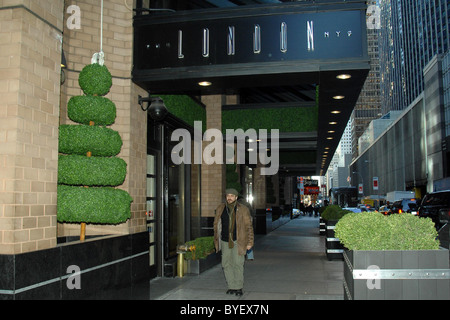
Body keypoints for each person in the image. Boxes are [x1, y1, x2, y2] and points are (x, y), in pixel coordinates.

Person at [213, 188, 254, 296]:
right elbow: (216, 224)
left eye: (232, 196)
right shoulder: (220, 208)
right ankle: (231, 286)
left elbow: (249, 227)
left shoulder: (243, 209)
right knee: (226, 264)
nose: (229, 197)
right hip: (224, 240)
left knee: (238, 263)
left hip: (238, 241)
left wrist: (250, 242)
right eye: (228, 195)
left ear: (236, 197)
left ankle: (238, 287)